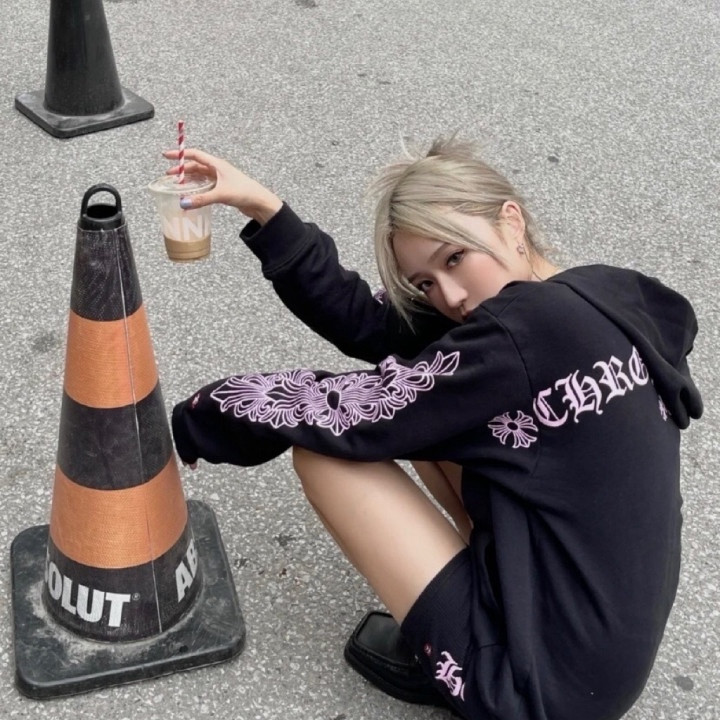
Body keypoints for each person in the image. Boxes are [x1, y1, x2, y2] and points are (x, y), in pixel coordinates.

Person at [165, 137, 702, 720]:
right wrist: (264, 209)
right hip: (602, 663)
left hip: (534, 692)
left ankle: (457, 659)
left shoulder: (519, 337)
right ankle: (476, 614)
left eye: (454, 259)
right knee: (434, 413)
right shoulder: (603, 294)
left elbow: (345, 411)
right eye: (424, 283)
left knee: (328, 453)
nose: (450, 297)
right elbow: (378, 327)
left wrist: (201, 417)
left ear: (511, 221)